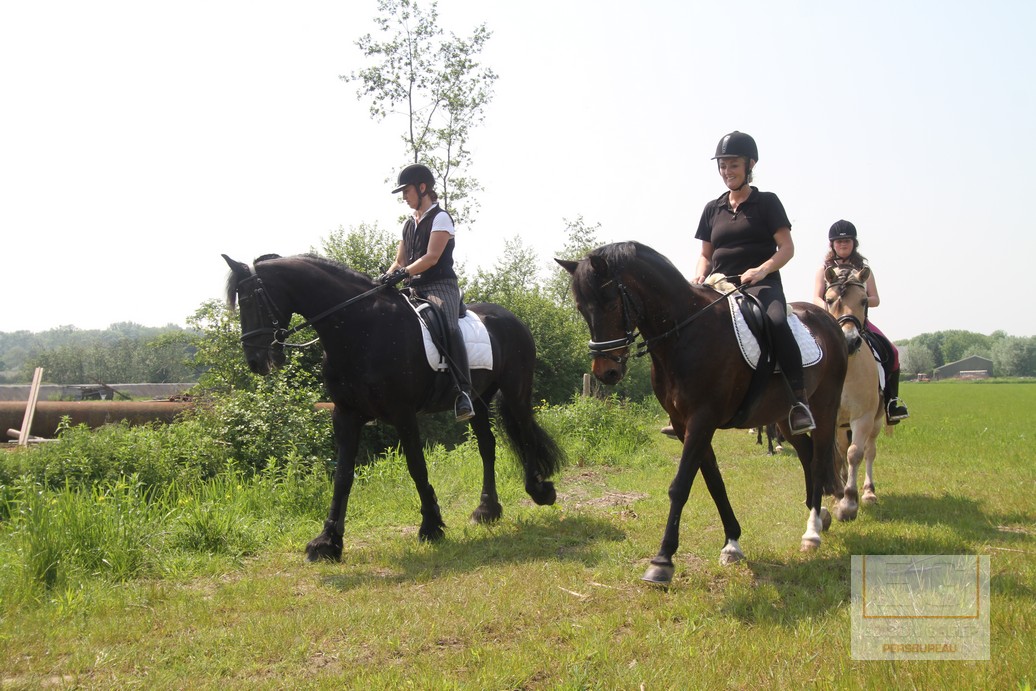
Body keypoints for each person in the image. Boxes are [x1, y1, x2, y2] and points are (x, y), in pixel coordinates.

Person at [692, 131, 815, 435]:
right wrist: (699, 275)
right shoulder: (712, 209)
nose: (727, 171)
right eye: (722, 166)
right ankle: (687, 403)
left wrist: (761, 270)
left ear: (750, 165)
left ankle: (799, 401)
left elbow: (787, 248)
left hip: (761, 285)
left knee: (776, 322)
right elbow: (705, 254)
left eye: (733, 165)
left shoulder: (767, 202)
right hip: (719, 286)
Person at [379, 163, 474, 421]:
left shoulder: (441, 218)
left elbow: (432, 257)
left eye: (406, 191)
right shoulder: (408, 224)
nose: (404, 197)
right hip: (414, 287)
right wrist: (386, 277)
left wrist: (403, 272)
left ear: (422, 188)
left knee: (448, 326)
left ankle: (463, 392)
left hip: (440, 285)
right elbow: (399, 261)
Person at [813, 220, 909, 423]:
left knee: (892, 352)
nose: (843, 244)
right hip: (831, 322)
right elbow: (816, 298)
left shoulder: (863, 269)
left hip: (859, 323)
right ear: (832, 244)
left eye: (847, 241)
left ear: (854, 243)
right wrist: (830, 306)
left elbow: (876, 299)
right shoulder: (824, 270)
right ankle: (801, 403)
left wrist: (860, 301)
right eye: (838, 241)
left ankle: (892, 402)